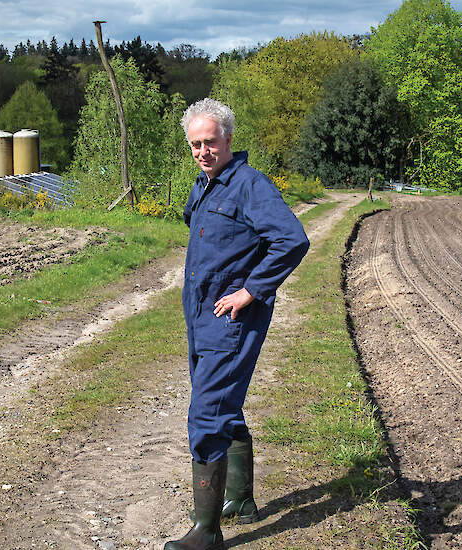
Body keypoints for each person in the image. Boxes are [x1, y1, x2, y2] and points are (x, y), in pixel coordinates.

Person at [165, 98, 309, 550]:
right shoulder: (205, 186)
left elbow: (291, 240)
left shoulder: (250, 185)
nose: (203, 151)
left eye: (210, 142)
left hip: (233, 319)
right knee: (222, 403)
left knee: (207, 413)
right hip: (201, 317)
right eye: (195, 145)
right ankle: (239, 500)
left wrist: (251, 291)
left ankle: (207, 534)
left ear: (228, 139)